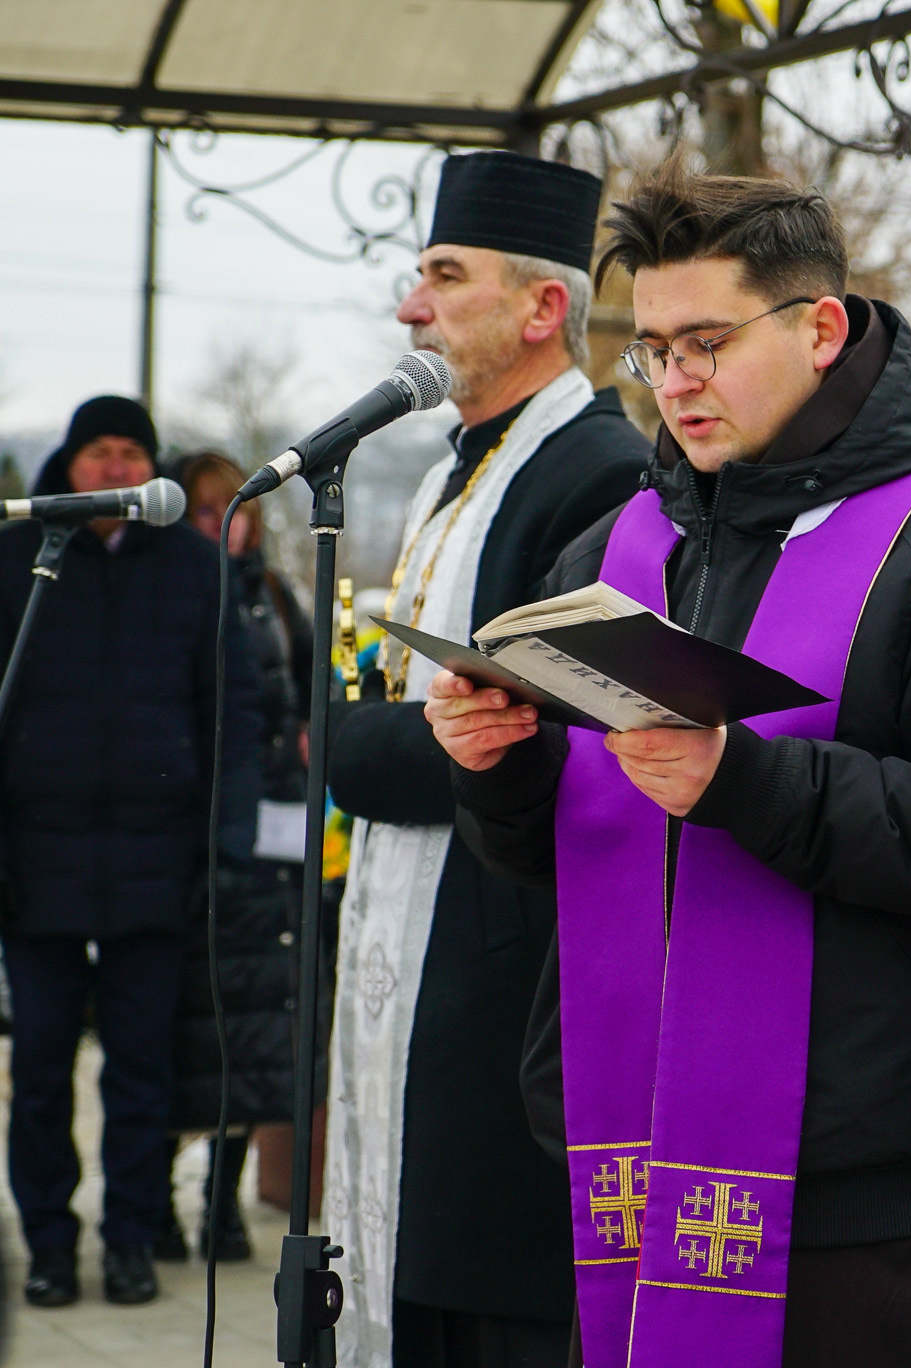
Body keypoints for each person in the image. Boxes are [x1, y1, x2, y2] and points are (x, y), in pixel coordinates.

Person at [430, 165, 911, 1368]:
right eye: (650, 350)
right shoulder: (619, 548)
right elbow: (559, 858)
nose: (675, 380)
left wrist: (744, 782)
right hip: (628, 1164)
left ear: (819, 326)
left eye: (706, 342)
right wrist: (501, 767)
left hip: (855, 1196)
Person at [320, 150, 652, 1368]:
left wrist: (364, 743)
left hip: (503, 944)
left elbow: (548, 724)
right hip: (423, 925)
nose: (413, 308)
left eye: (443, 278)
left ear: (541, 306)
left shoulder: (598, 475)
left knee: (489, 1291)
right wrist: (384, 735)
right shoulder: (451, 473)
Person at [0, 396, 260, 1308]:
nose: (115, 468)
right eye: (97, 452)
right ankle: (46, 1241)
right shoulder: (10, 562)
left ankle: (129, 1238)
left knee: (141, 1068)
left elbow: (231, 712)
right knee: (39, 1068)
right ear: (67, 465)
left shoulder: (195, 567)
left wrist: (222, 844)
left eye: (131, 452)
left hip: (159, 861)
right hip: (36, 862)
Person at [153, 450, 313, 1264]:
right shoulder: (168, 598)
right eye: (209, 513)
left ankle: (219, 1202)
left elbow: (315, 690)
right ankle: (157, 1202)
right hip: (193, 844)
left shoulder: (276, 598)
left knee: (257, 1035)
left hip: (276, 845)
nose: (227, 527)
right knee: (186, 1031)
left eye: (236, 510)